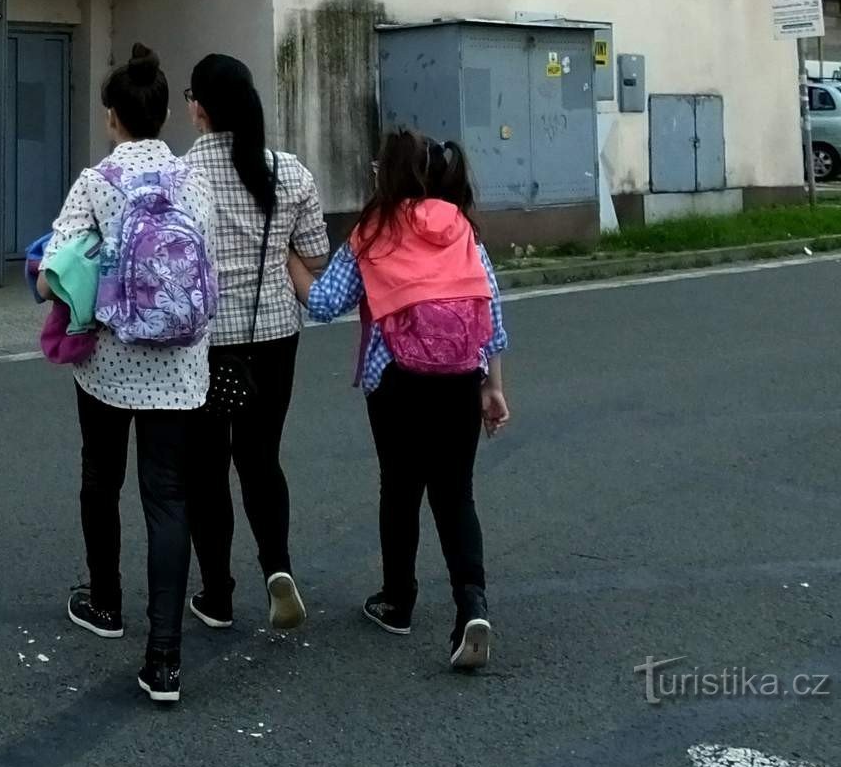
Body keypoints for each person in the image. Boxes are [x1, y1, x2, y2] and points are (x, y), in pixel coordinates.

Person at [290, 128, 512, 671]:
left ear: (388, 173)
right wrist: (493, 385)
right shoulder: (460, 226)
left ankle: (398, 601)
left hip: (396, 381)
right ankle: (472, 604)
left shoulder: (374, 230)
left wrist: (289, 257)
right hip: (463, 376)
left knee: (401, 488)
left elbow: (324, 303)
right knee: (456, 495)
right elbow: (490, 309)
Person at [43, 44, 216, 705]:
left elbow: (55, 266)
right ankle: (166, 659)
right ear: (167, 112)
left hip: (111, 363)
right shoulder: (191, 179)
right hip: (180, 362)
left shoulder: (98, 181)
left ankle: (106, 600)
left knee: (101, 477)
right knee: (168, 498)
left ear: (112, 116)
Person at [180, 54, 330, 632]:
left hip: (204, 343)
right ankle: (278, 569)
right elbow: (315, 256)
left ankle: (216, 593)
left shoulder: (182, 175)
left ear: (200, 108)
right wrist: (277, 254)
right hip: (273, 336)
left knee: (207, 467)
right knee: (261, 457)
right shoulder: (288, 172)